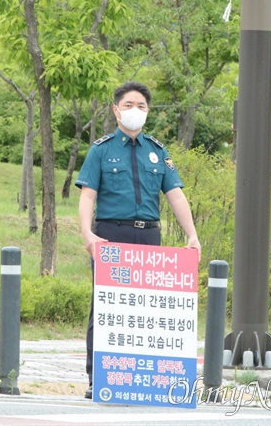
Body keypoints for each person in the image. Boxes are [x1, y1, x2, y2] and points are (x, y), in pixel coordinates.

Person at [75, 81, 201, 399]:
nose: (135, 111)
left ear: (148, 113)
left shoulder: (158, 152)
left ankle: (142, 379)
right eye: (129, 105)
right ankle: (98, 378)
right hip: (110, 236)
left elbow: (175, 196)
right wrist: (88, 233)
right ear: (116, 110)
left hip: (149, 236)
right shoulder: (101, 150)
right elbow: (87, 196)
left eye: (142, 106)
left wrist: (192, 236)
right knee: (105, 307)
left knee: (148, 308)